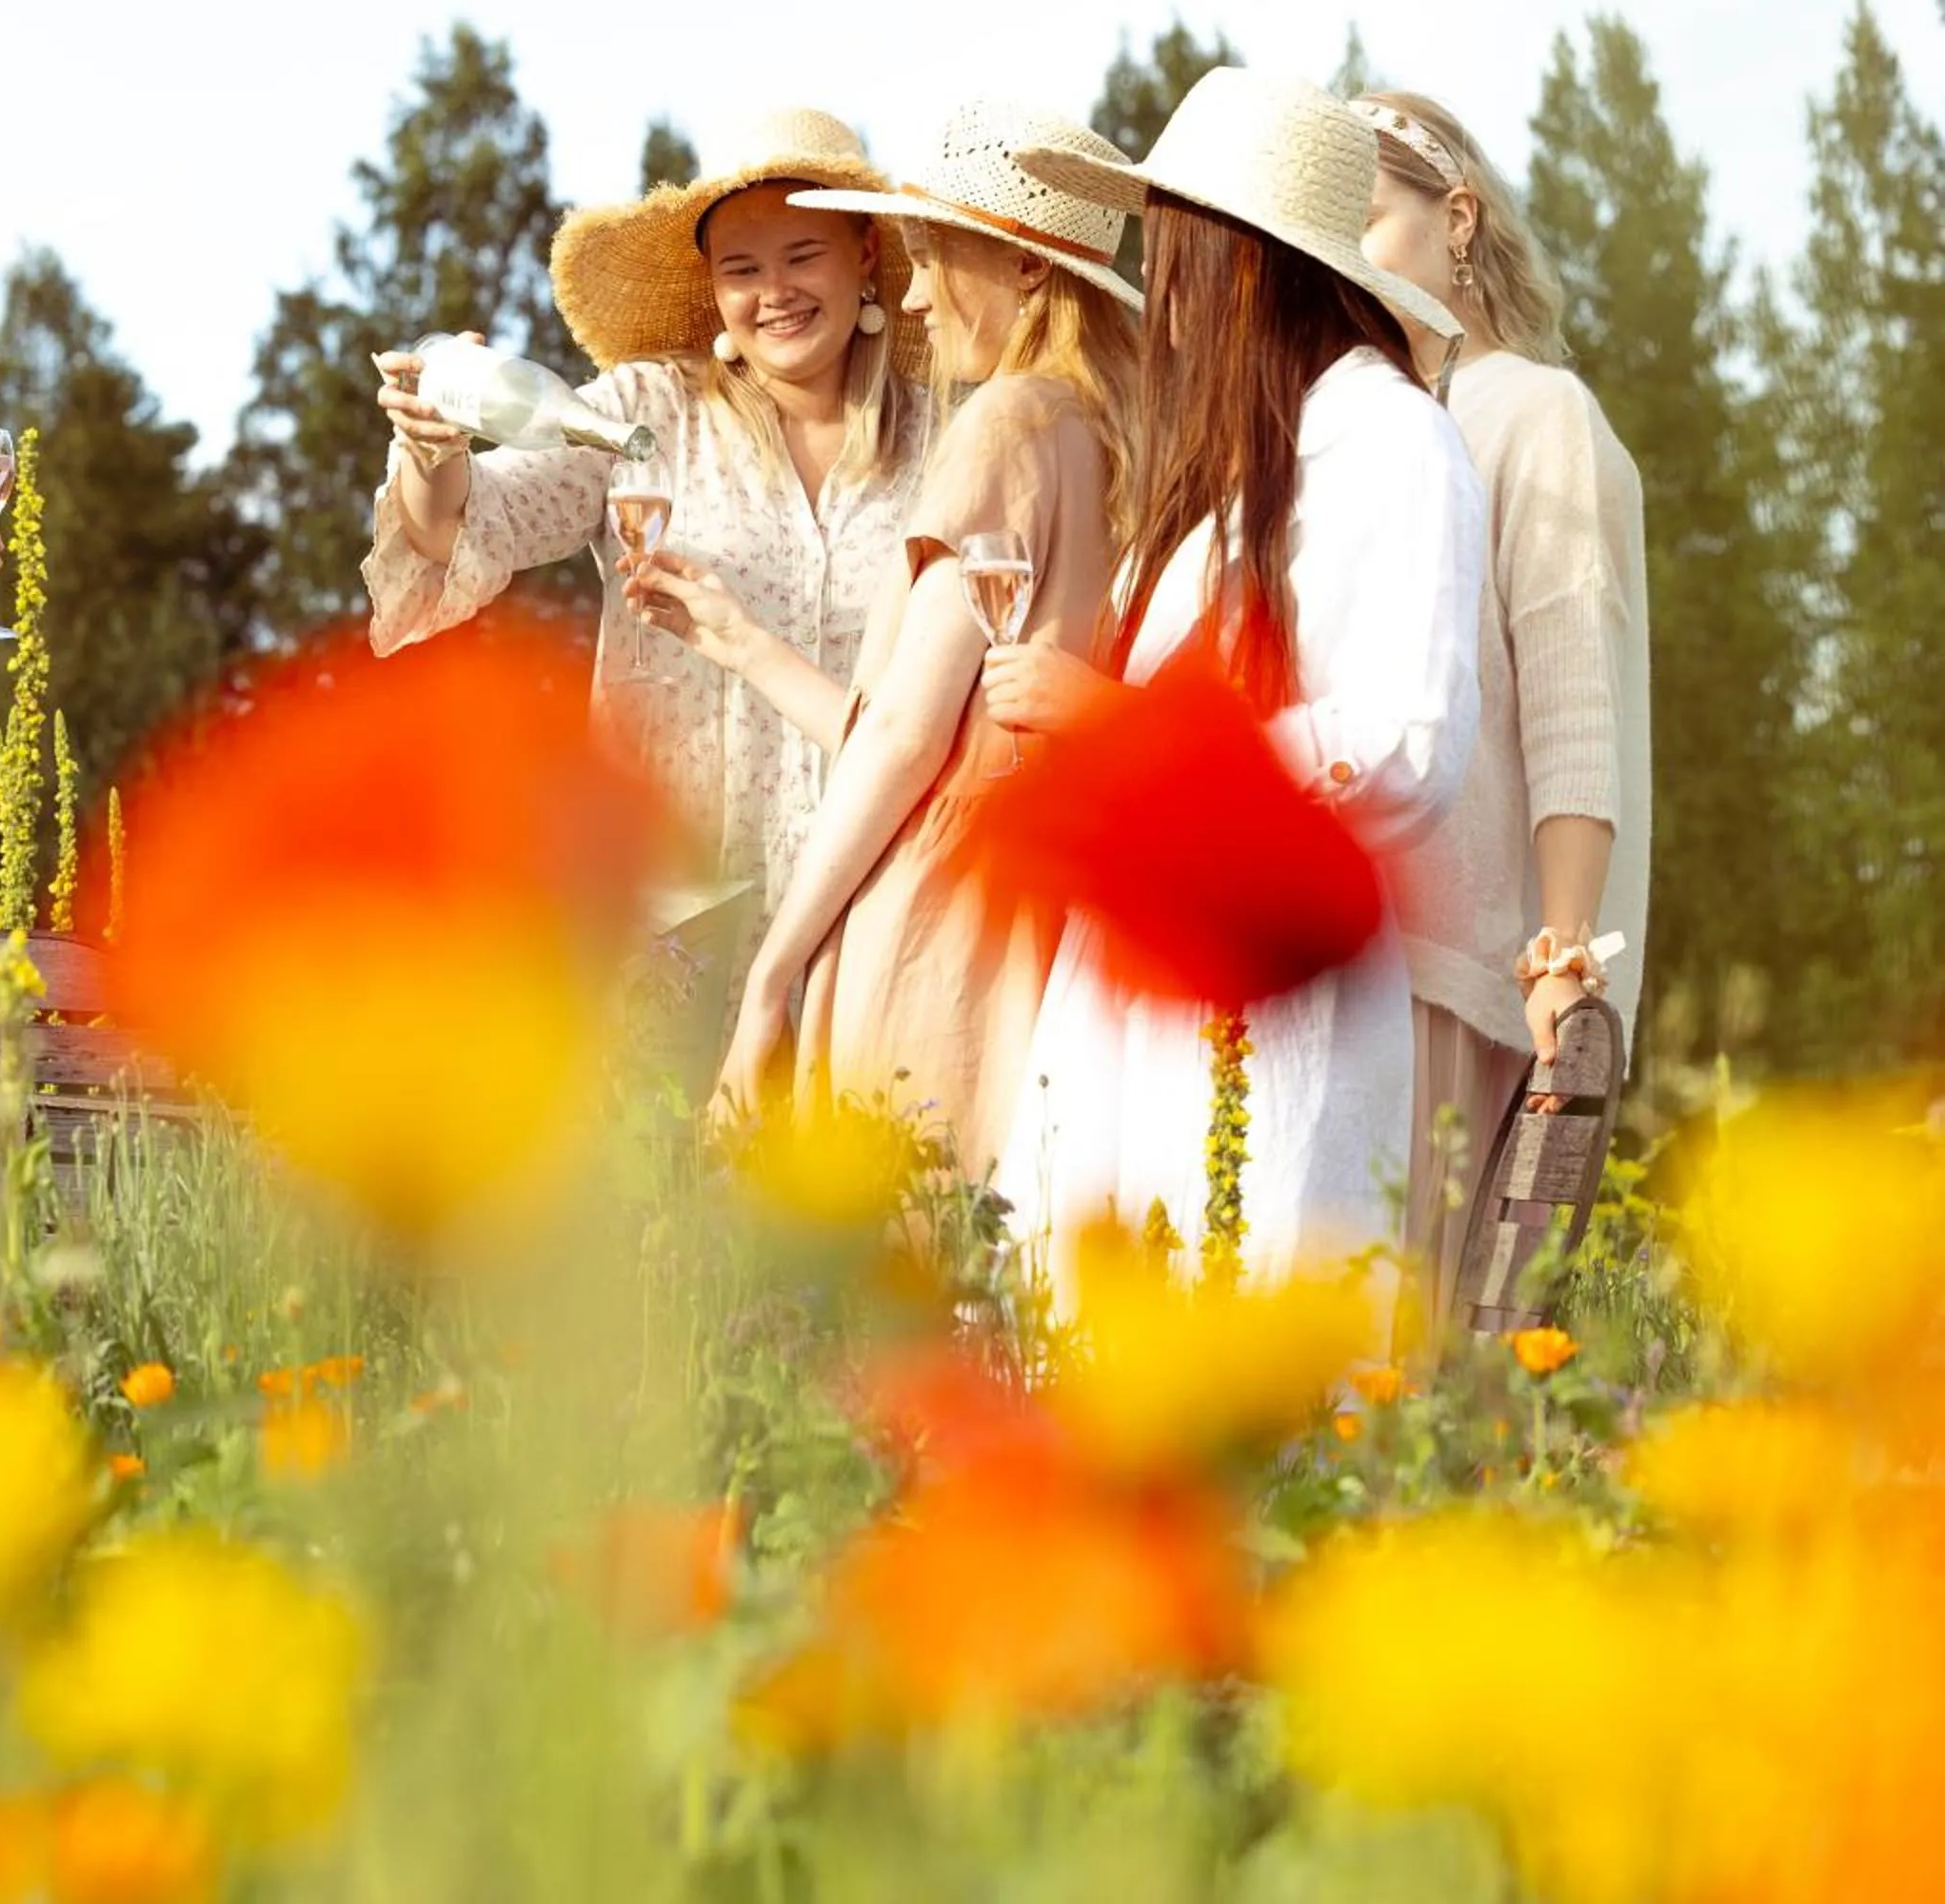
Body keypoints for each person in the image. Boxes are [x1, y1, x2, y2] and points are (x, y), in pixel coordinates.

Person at [991, 70, 1486, 1297]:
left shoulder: (1394, 443)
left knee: (1247, 1389)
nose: (1160, 311)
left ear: (1250, 270)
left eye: (1177, 267)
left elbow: (1409, 740)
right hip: (1145, 996)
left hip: (1268, 1009)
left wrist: (1119, 726)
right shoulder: (1233, 484)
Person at [629, 102, 1141, 1181]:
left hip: (938, 914)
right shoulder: (1126, 441)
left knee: (890, 1295)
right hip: (1049, 909)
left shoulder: (1001, 425)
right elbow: (953, 723)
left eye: (935, 259)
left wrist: (772, 976)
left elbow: (911, 741)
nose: (910, 293)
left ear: (1031, 272)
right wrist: (743, 643)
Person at [365, 109, 929, 1004]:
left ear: (865, 254)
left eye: (803, 255)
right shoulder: (644, 415)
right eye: (742, 268)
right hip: (673, 930)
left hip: (881, 924)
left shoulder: (945, 443)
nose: (773, 291)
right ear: (712, 286)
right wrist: (434, 453)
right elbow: (470, 528)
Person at [1350, 90, 1652, 1319]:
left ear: (1455, 219)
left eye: (1365, 219)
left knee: (1420, 1376)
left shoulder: (1538, 413)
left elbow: (1577, 706)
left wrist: (1562, 964)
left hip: (1469, 983)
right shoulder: (1362, 421)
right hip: (1350, 965)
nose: (1341, 253)